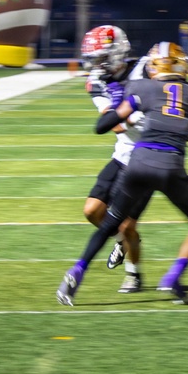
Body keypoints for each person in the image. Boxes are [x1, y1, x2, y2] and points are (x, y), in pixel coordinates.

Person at [57, 42, 188, 305]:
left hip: (138, 163)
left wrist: (130, 112)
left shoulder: (141, 88)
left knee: (109, 225)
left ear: (153, 68)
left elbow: (103, 125)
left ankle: (77, 270)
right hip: (171, 166)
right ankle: (173, 277)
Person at [79, 25, 151, 293]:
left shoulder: (146, 69)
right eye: (94, 59)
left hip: (149, 157)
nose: (97, 64)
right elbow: (115, 123)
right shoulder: (97, 82)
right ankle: (125, 239)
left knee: (126, 222)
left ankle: (134, 274)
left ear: (117, 52)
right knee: (92, 211)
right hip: (123, 153)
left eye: (101, 57)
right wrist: (134, 116)